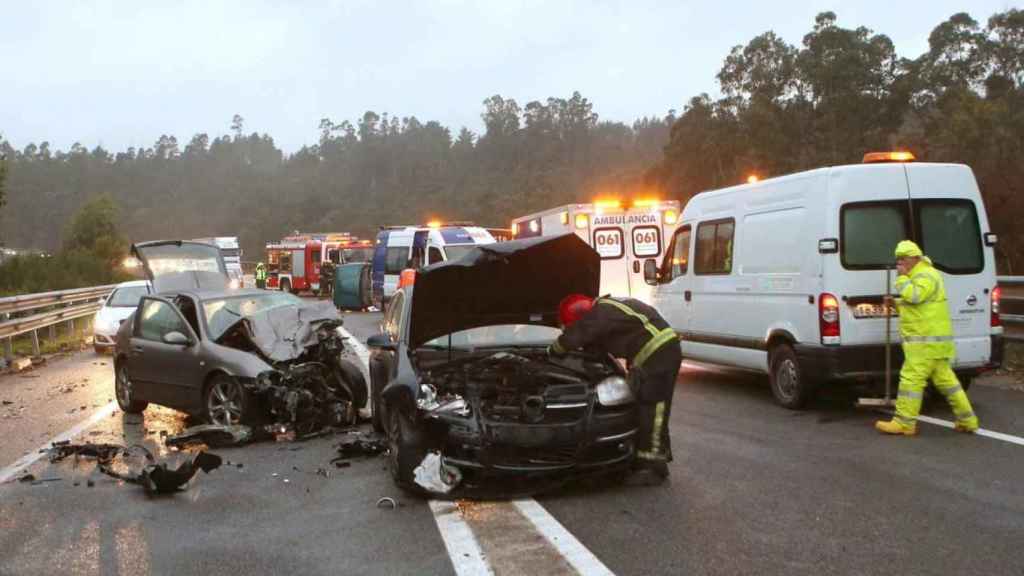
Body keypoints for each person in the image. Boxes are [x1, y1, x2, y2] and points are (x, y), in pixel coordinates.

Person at [549, 294, 682, 484]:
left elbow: (582, 331)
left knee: (652, 410)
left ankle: (653, 469)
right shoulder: (609, 311)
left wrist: (555, 349)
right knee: (647, 407)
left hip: (659, 356)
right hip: (657, 355)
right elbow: (595, 348)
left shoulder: (604, 310)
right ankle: (649, 460)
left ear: (582, 315)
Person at [876, 240, 980, 436]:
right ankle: (967, 419)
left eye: (903, 259)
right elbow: (918, 305)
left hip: (924, 342)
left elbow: (914, 296)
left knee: (910, 381)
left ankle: (904, 422)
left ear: (915, 258)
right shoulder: (921, 275)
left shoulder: (925, 275)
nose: (900, 263)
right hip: (933, 343)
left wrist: (900, 279)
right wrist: (897, 303)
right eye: (898, 260)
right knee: (948, 383)